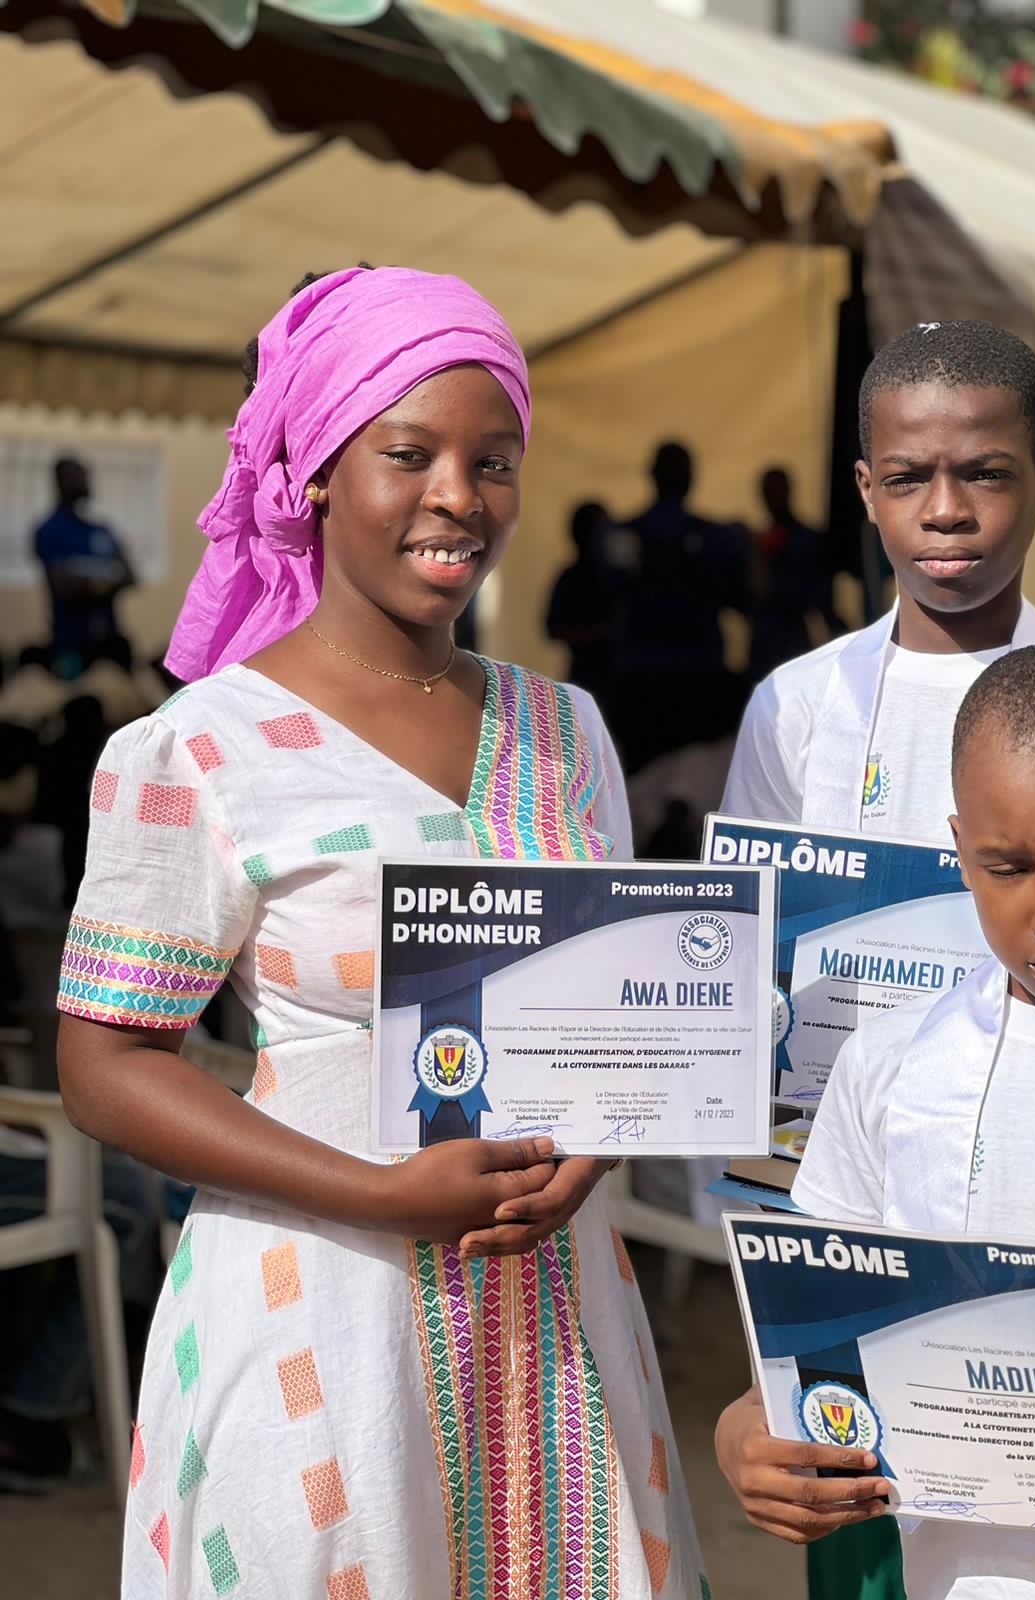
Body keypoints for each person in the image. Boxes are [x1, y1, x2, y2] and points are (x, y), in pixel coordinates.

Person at [55, 268, 708, 1598]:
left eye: (494, 462)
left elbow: (624, 1008)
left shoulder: (564, 730)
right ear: (308, 475)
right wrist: (380, 1194)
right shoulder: (195, 748)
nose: (459, 496)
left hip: (558, 1312)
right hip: (325, 1305)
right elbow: (106, 1064)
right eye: (408, 455)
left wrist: (598, 1141)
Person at [717, 641, 1035, 1599]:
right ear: (957, 847)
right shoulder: (893, 1065)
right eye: (1006, 866)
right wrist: (748, 1440)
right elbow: (812, 1343)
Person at [721, 321, 1035, 870]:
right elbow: (752, 931)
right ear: (867, 490)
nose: (945, 511)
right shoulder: (797, 705)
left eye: (985, 474)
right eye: (906, 479)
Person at [611, 441, 749, 772]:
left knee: (640, 793)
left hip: (647, 679)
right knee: (694, 785)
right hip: (692, 677)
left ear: (651, 475)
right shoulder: (718, 538)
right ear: (691, 479)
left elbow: (609, 594)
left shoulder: (622, 537)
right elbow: (741, 596)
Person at [32, 457, 134, 676]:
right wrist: (107, 580)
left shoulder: (100, 529)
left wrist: (87, 582)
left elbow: (130, 576)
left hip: (109, 642)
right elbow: (63, 586)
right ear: (61, 480)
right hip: (71, 645)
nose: (87, 481)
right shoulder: (49, 531)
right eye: (79, 475)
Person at [749, 466, 845, 678]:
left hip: (792, 642)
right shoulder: (763, 544)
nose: (772, 498)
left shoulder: (805, 541)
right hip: (775, 643)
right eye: (769, 492)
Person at [545, 499, 619, 702]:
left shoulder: (617, 576)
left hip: (614, 683)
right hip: (588, 680)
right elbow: (554, 629)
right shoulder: (573, 578)